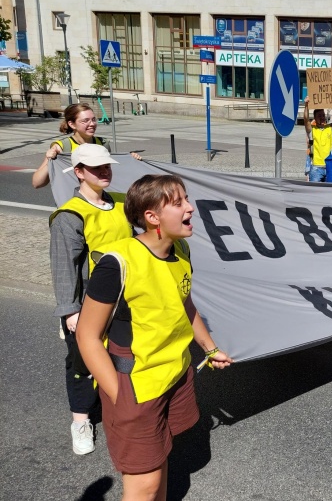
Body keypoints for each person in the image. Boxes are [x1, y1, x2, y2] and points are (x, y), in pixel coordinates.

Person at [76, 174, 233, 500]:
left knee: (159, 467)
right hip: (134, 385)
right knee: (144, 486)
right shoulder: (116, 263)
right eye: (179, 203)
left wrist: (210, 348)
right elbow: (87, 336)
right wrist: (118, 393)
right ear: (152, 217)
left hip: (174, 376)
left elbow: (185, 304)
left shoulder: (181, 250)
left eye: (187, 199)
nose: (191, 208)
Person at [48, 144, 135, 455]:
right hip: (88, 305)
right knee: (82, 364)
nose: (104, 171)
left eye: (107, 166)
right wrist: (71, 311)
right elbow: (63, 268)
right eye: (96, 168)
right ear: (80, 173)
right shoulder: (70, 215)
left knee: (123, 358)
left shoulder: (123, 202)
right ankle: (81, 421)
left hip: (124, 301)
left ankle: (119, 410)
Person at [32, 103, 141, 189]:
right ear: (71, 124)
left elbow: (112, 172)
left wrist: (129, 159)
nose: (92, 124)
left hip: (98, 201)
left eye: (93, 119)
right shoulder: (62, 147)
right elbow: (37, 183)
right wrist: (49, 160)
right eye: (85, 121)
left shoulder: (102, 144)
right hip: (72, 202)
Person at [304, 96, 332, 182]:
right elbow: (306, 120)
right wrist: (306, 105)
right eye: (319, 116)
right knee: (315, 193)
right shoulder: (312, 129)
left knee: (328, 193)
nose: (322, 117)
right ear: (315, 118)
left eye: (323, 115)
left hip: (329, 167)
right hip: (316, 168)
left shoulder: (329, 128)